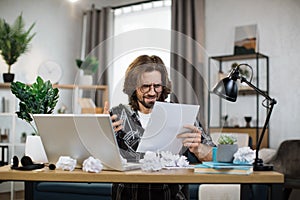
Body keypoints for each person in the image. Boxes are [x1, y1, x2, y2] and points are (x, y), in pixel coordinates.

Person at [104, 55, 215, 200]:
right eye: (145, 86)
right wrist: (103, 134)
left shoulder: (181, 114)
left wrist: (199, 149)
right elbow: (96, 159)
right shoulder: (117, 115)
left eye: (157, 86)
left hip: (171, 196)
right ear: (133, 87)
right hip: (127, 195)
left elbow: (216, 157)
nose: (152, 92)